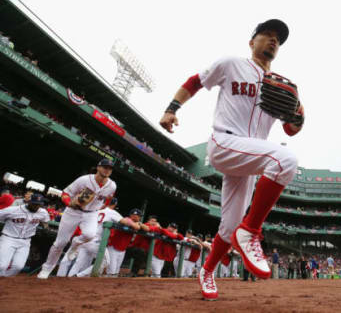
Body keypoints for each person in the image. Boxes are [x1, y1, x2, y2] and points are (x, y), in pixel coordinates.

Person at [160, 19, 303, 301]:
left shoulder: (281, 87)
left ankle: (208, 270)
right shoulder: (231, 64)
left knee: (228, 226)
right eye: (267, 35)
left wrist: (299, 114)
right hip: (225, 142)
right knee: (285, 160)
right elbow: (195, 81)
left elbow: (291, 129)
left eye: (278, 38)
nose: (273, 40)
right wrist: (172, 108)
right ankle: (250, 232)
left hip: (250, 159)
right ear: (252, 42)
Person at [37, 159, 117, 279]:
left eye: (110, 168)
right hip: (73, 212)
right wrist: (69, 203)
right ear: (98, 167)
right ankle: (47, 268)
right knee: (60, 243)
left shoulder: (112, 185)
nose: (107, 170)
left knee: (89, 235)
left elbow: (109, 198)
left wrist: (102, 207)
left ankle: (76, 243)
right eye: (105, 167)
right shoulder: (84, 180)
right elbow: (65, 193)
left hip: (91, 213)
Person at [67, 199, 136, 277]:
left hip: (85, 240)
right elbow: (125, 222)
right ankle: (79, 275)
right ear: (115, 204)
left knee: (78, 264)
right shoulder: (112, 212)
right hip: (96, 242)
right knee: (105, 262)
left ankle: (69, 278)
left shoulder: (97, 211)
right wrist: (135, 225)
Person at [0, 193, 49, 276]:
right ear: (29, 202)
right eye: (34, 204)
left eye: (38, 205)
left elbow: (46, 221)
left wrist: (44, 225)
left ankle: (4, 280)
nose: (36, 206)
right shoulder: (13, 210)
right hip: (8, 239)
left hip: (25, 242)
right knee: (2, 265)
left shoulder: (43, 212)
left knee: (18, 267)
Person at [106, 209, 144, 277]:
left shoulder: (135, 223)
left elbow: (146, 228)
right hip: (113, 247)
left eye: (139, 216)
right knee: (111, 271)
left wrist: (139, 224)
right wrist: (138, 224)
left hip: (122, 249)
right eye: (138, 216)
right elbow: (136, 226)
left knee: (116, 271)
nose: (139, 218)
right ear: (133, 216)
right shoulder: (126, 220)